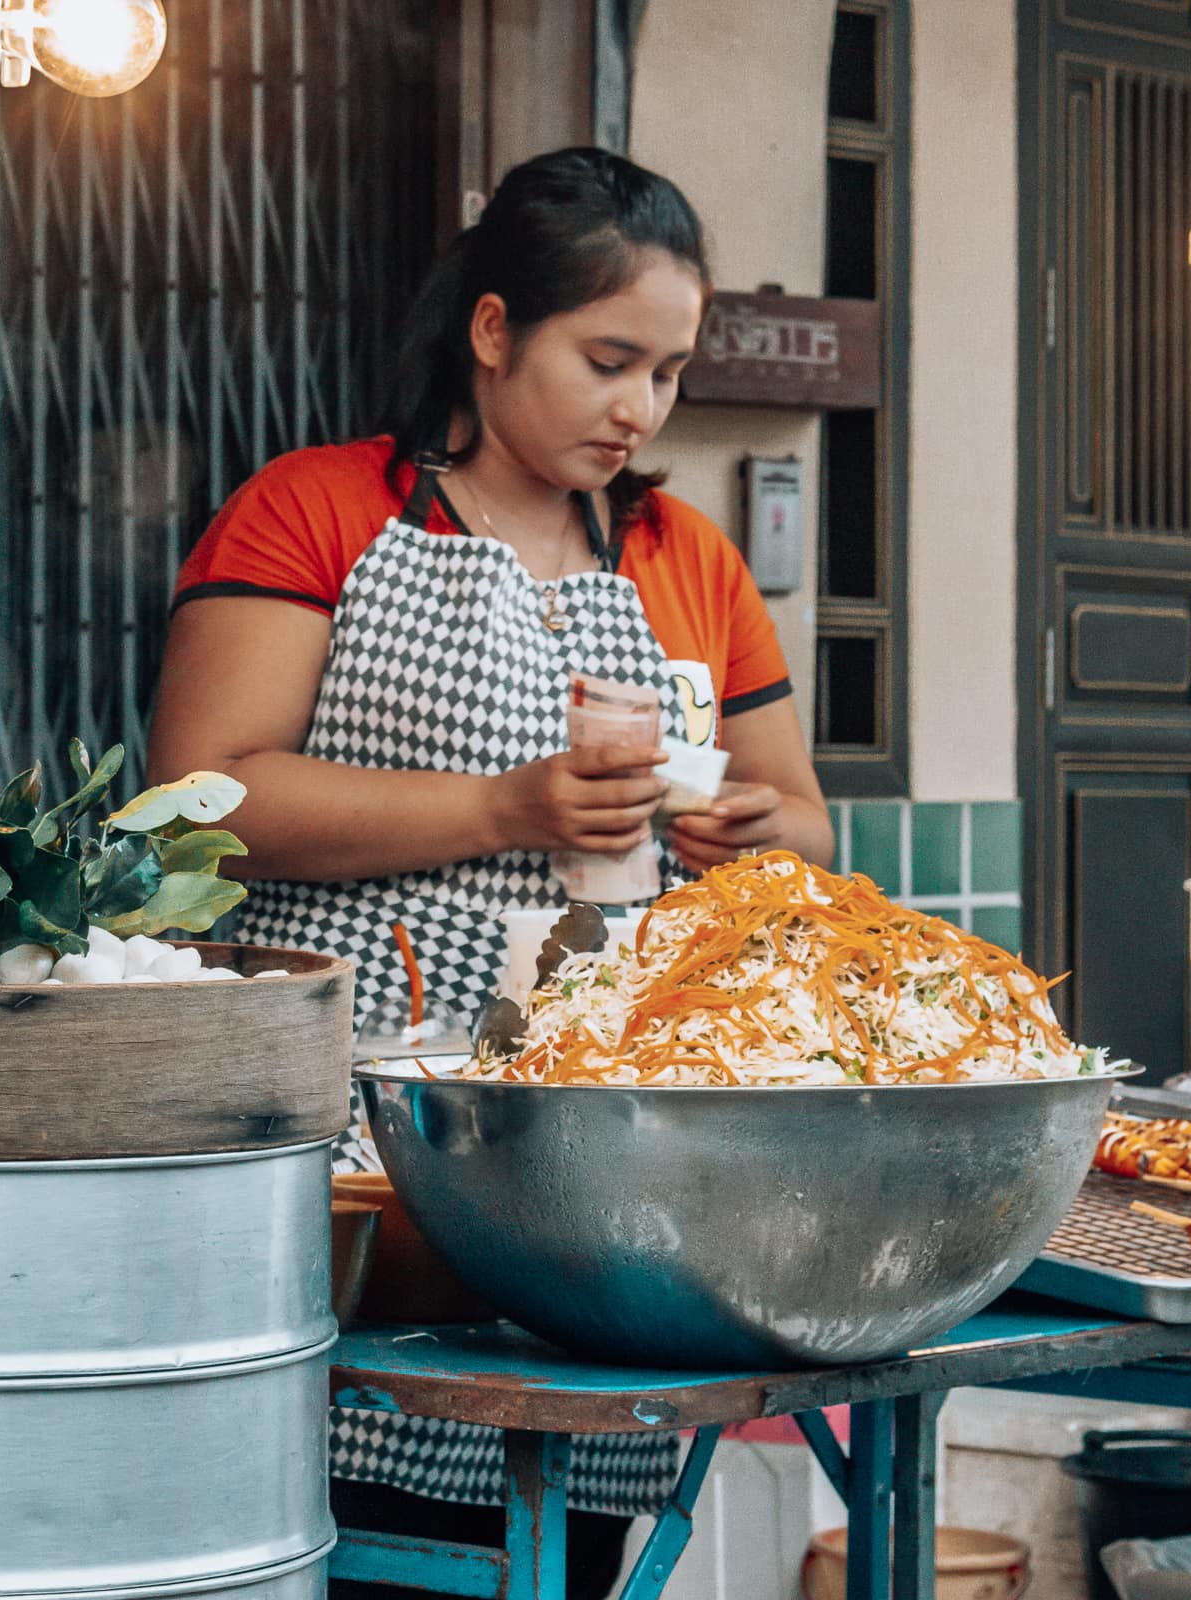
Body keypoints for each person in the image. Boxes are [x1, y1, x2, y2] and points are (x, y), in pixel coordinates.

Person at [147, 146, 834, 1593]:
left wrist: (754, 838)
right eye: (607, 360)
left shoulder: (685, 556)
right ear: (493, 327)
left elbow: (809, 826)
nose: (640, 407)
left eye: (668, 372)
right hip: (354, 1160)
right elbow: (200, 801)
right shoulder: (318, 510)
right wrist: (508, 806)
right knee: (324, 1524)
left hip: (594, 1168)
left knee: (559, 1530)